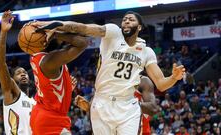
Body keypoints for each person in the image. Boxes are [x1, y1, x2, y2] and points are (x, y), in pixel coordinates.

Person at [35, 10, 185, 135]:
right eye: (125, 19)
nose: (126, 21)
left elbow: (161, 84)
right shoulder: (113, 32)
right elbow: (84, 28)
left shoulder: (146, 52)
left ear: (139, 27)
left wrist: (173, 77)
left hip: (128, 105)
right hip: (102, 102)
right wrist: (58, 25)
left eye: (131, 20)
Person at [28, 24, 88, 134]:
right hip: (51, 120)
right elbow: (83, 43)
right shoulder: (49, 61)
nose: (63, 39)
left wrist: (66, 88)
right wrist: (56, 34)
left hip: (41, 113)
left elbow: (48, 86)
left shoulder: (35, 56)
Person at [75, 76, 159, 135]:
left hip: (139, 130)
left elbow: (153, 109)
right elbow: (101, 110)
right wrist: (89, 107)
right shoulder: (106, 82)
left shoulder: (142, 81)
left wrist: (126, 104)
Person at [0, 11, 36, 135]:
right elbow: (0, 64)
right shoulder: (12, 94)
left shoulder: (35, 103)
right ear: (12, 79)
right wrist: (3, 32)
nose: (23, 74)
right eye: (19, 73)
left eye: (24, 72)